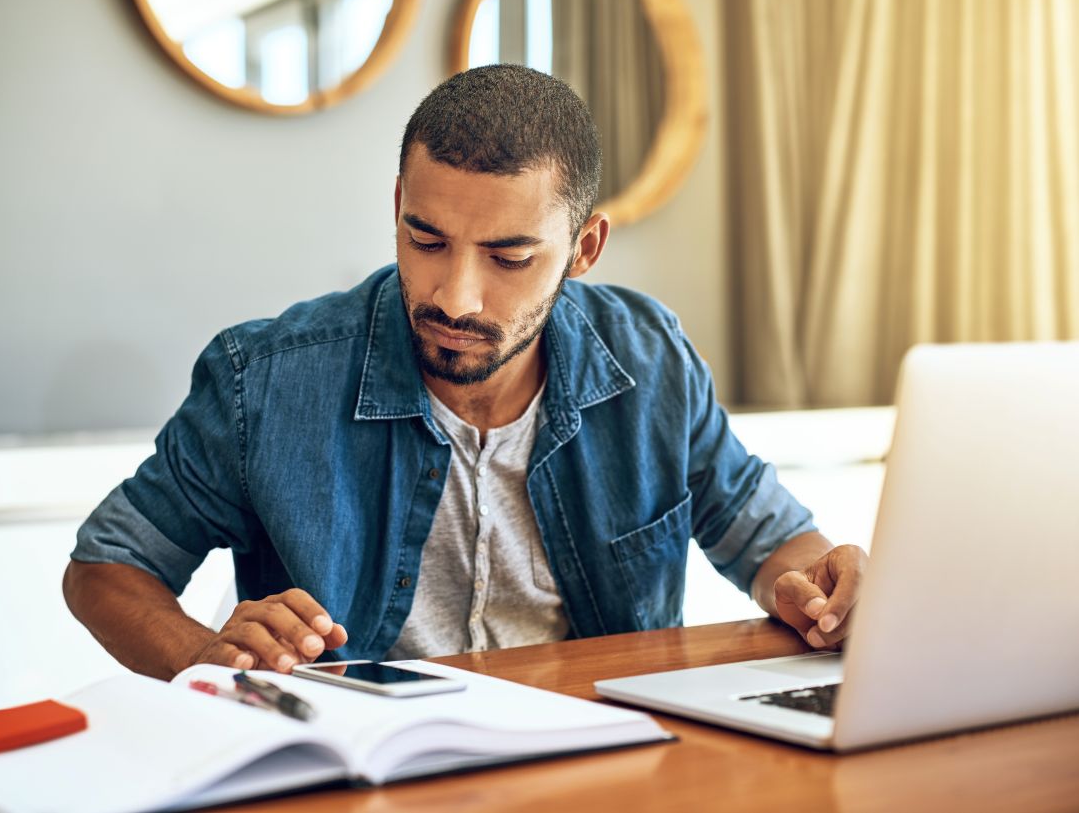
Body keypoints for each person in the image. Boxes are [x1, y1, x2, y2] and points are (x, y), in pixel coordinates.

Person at [63, 65, 868, 680]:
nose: (455, 293)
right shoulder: (263, 380)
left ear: (584, 249)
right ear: (397, 206)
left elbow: (769, 540)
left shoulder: (651, 357)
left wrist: (816, 584)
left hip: (600, 769)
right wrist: (209, 657)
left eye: (509, 256)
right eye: (426, 238)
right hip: (357, 775)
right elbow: (105, 567)